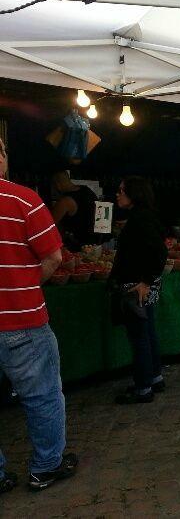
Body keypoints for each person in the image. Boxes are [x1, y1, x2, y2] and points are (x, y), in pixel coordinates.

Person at [0, 137, 78, 494]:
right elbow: (54, 258)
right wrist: (26, 283)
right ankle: (46, 466)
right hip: (23, 320)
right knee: (42, 394)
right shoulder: (24, 200)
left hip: (20, 318)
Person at [109, 177, 168, 405]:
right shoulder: (144, 217)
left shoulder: (140, 220)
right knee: (148, 329)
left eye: (122, 190)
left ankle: (143, 387)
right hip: (144, 282)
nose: (118, 194)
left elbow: (158, 252)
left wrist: (144, 281)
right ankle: (154, 376)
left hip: (137, 284)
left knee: (139, 335)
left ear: (134, 193)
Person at [49, 170, 98, 251]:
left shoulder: (65, 201)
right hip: (94, 243)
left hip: (76, 246)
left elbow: (50, 225)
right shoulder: (87, 190)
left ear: (57, 184)